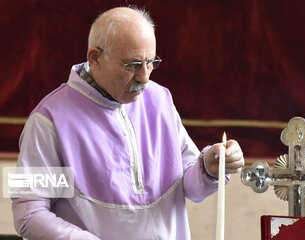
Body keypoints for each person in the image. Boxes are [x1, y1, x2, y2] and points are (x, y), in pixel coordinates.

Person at [12, 6, 244, 240]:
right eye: (132, 65)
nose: (144, 77)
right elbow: (29, 213)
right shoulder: (49, 119)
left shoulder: (160, 99)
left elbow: (190, 187)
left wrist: (210, 167)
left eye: (151, 62)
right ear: (95, 58)